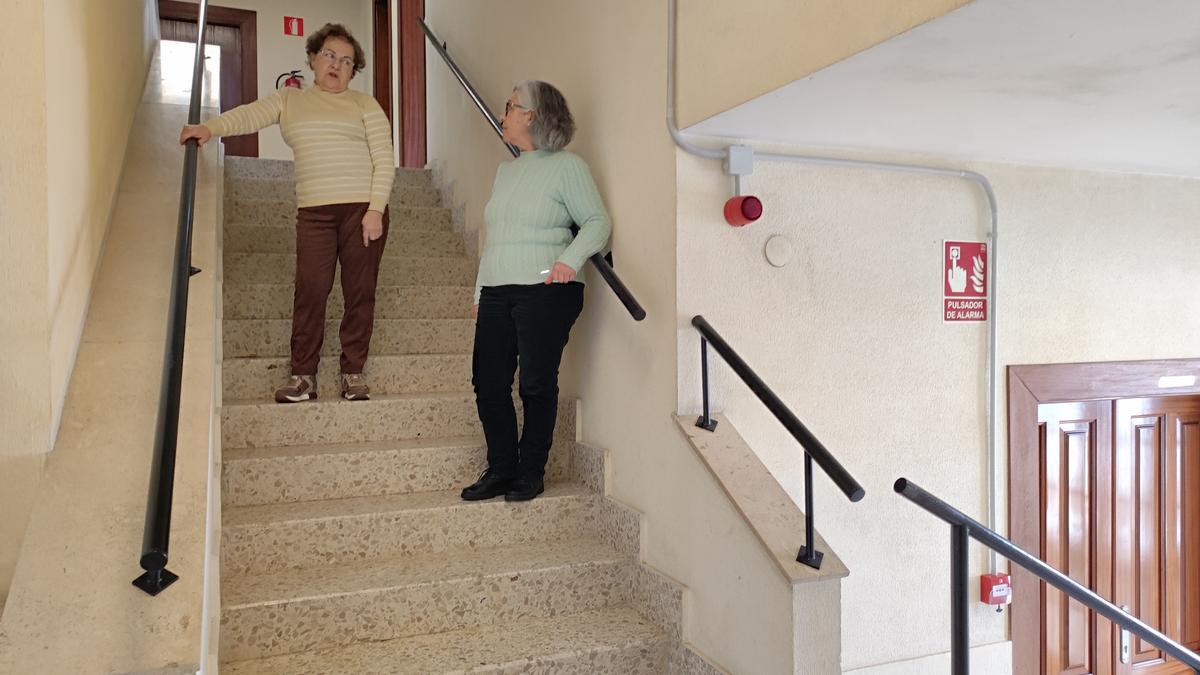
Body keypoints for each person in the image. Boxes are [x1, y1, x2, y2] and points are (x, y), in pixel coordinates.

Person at [179, 23, 394, 403]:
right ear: (312, 58)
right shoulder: (289, 100)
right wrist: (209, 128)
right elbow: (248, 116)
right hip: (314, 212)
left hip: (363, 208)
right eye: (329, 55)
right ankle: (303, 376)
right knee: (311, 289)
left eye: (347, 61)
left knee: (359, 291)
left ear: (353, 71)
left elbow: (384, 159)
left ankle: (352, 372)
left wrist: (375, 209)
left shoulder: (364, 105)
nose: (336, 65)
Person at [461, 80, 611, 503]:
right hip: (497, 288)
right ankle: (501, 468)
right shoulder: (506, 171)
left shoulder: (568, 167)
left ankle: (531, 472)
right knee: (487, 382)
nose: (503, 113)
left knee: (535, 383)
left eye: (510, 106)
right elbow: (497, 237)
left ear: (532, 115)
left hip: (545, 289)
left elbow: (597, 222)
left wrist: (569, 260)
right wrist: (479, 290)